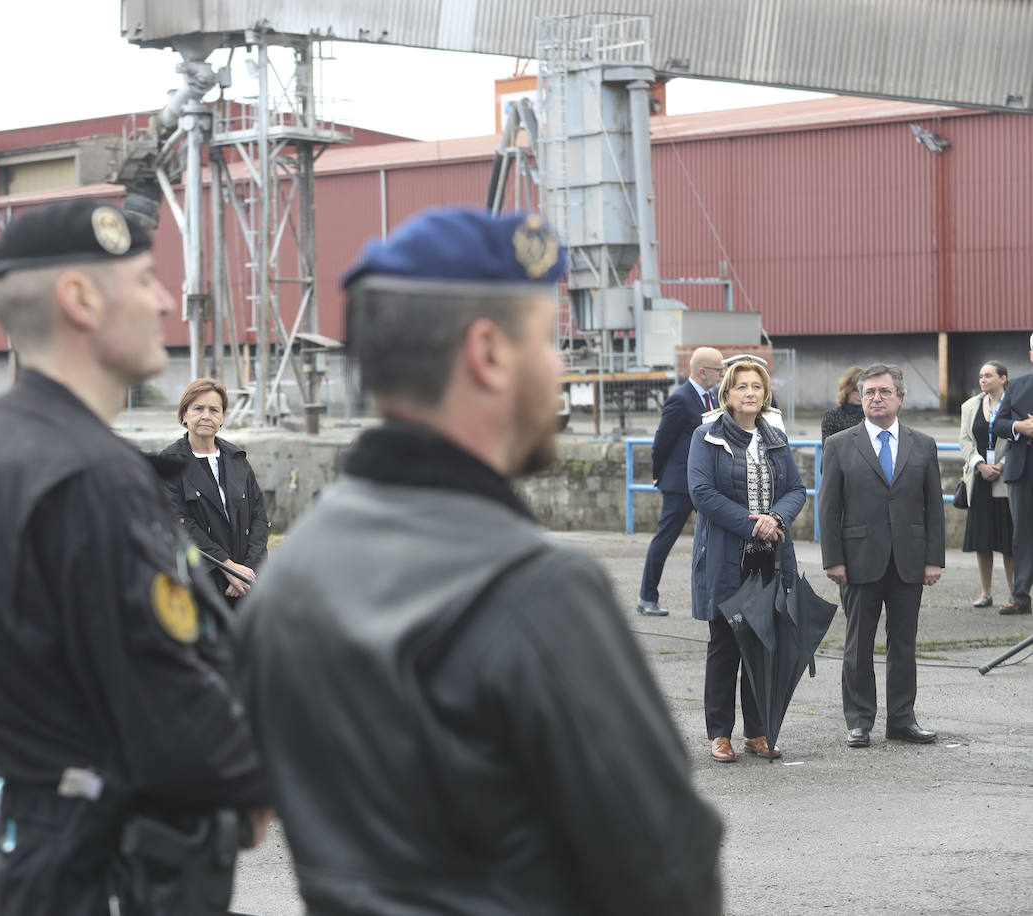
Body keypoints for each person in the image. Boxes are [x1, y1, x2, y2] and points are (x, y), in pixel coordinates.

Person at [237, 208, 723, 914]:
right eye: (550, 341)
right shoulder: (534, 591)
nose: (560, 367)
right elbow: (668, 875)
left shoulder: (291, 576)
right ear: (489, 352)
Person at [0, 199, 269, 916]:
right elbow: (164, 684)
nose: (166, 300)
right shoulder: (87, 474)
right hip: (110, 864)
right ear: (79, 299)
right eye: (144, 280)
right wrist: (252, 779)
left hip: (39, 845)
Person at [688, 357, 806, 762]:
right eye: (742, 387)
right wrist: (750, 523)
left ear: (765, 393)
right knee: (725, 644)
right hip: (725, 556)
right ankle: (719, 733)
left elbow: (796, 488)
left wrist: (776, 518)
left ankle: (758, 732)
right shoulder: (707, 435)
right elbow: (701, 493)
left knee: (763, 645)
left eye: (757, 386)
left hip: (770, 558)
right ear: (727, 394)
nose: (750, 393)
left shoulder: (774, 436)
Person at [820, 363, 944, 748]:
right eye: (869, 392)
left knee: (904, 644)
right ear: (860, 398)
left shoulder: (922, 444)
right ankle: (859, 721)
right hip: (858, 559)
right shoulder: (839, 444)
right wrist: (833, 559)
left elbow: (933, 506)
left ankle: (902, 720)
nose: (876, 398)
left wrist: (934, 558)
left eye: (884, 392)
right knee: (858, 644)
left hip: (909, 558)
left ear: (900, 398)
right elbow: (827, 508)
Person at [160, 377, 269, 604]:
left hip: (244, 584)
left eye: (214, 410)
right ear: (184, 415)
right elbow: (180, 523)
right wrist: (226, 566)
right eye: (198, 408)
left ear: (222, 418)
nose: (206, 416)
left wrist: (248, 570)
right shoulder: (171, 463)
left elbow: (259, 517)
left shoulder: (236, 459)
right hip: (201, 583)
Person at [637, 346, 724, 615]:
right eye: (718, 370)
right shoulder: (681, 399)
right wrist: (658, 474)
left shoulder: (713, 399)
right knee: (665, 539)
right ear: (702, 371)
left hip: (705, 483)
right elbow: (661, 442)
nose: (722, 375)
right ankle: (646, 597)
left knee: (719, 536)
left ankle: (720, 596)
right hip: (679, 484)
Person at [959, 361, 1014, 608]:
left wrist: (1003, 464)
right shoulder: (970, 406)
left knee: (1009, 541)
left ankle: (1016, 593)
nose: (983, 379)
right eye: (981, 375)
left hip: (1006, 479)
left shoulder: (1015, 404)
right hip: (980, 478)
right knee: (983, 539)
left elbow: (1019, 439)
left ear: (1003, 378)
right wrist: (980, 464)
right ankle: (985, 593)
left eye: (989, 375)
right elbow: (965, 440)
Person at [992, 334, 1033, 615]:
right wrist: (1019, 426)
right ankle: (1020, 595)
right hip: (1022, 470)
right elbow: (999, 424)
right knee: (1023, 534)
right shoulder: (1017, 385)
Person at [821, 365, 864, 440]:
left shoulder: (872, 416)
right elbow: (827, 448)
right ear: (847, 389)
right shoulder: (832, 416)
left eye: (864, 390)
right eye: (856, 390)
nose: (860, 394)